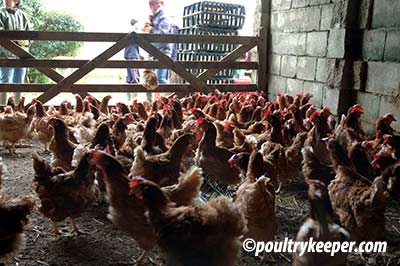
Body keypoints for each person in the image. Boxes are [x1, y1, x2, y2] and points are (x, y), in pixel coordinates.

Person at [0, 0, 32, 104]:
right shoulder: (1, 13)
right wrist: (16, 40)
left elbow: (30, 34)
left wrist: (25, 41)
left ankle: (17, 108)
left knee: (19, 83)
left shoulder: (23, 15)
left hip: (22, 55)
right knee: (5, 82)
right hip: (6, 54)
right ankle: (2, 108)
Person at [147, 0, 173, 84]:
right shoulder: (157, 16)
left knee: (160, 78)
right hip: (156, 50)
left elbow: (163, 34)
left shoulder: (163, 17)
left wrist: (150, 29)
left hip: (162, 50)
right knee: (151, 77)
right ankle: (161, 96)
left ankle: (167, 96)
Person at [124, 18, 141, 85]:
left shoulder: (129, 32)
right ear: (135, 24)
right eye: (138, 24)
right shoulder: (133, 33)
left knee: (130, 68)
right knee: (134, 68)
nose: (139, 26)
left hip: (129, 53)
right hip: (133, 53)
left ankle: (130, 80)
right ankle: (135, 80)